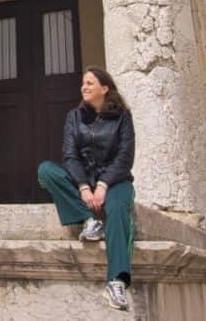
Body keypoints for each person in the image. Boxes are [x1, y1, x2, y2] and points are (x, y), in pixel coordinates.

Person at [37, 66, 136, 311]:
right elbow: (70, 156)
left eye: (90, 83)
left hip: (116, 182)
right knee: (46, 170)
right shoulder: (74, 117)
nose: (84, 87)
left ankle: (116, 282)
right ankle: (89, 219)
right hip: (84, 182)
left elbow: (125, 157)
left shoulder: (123, 117)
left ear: (105, 88)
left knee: (117, 209)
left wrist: (103, 185)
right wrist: (83, 187)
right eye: (83, 83)